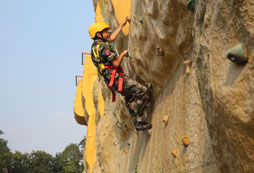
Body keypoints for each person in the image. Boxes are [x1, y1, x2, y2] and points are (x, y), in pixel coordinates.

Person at [88, 17, 153, 131]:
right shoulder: (104, 47)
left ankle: (136, 121)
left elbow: (111, 39)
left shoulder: (95, 47)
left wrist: (122, 25)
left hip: (111, 81)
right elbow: (116, 63)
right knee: (143, 91)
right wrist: (123, 53)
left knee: (129, 96)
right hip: (116, 78)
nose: (108, 33)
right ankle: (140, 120)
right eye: (105, 32)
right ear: (99, 35)